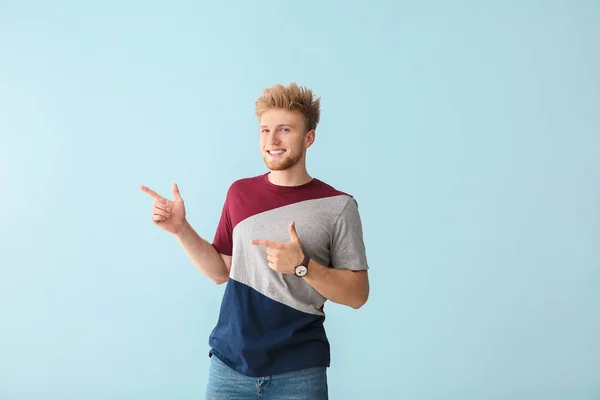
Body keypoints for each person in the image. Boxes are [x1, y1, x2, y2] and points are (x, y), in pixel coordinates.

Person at [141, 82, 369, 399]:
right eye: (264, 130)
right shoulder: (240, 193)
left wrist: (303, 267)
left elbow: (358, 295)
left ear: (309, 138)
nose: (271, 141)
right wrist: (181, 229)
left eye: (284, 130)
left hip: (299, 372)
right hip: (229, 369)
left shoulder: (338, 206)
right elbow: (221, 270)